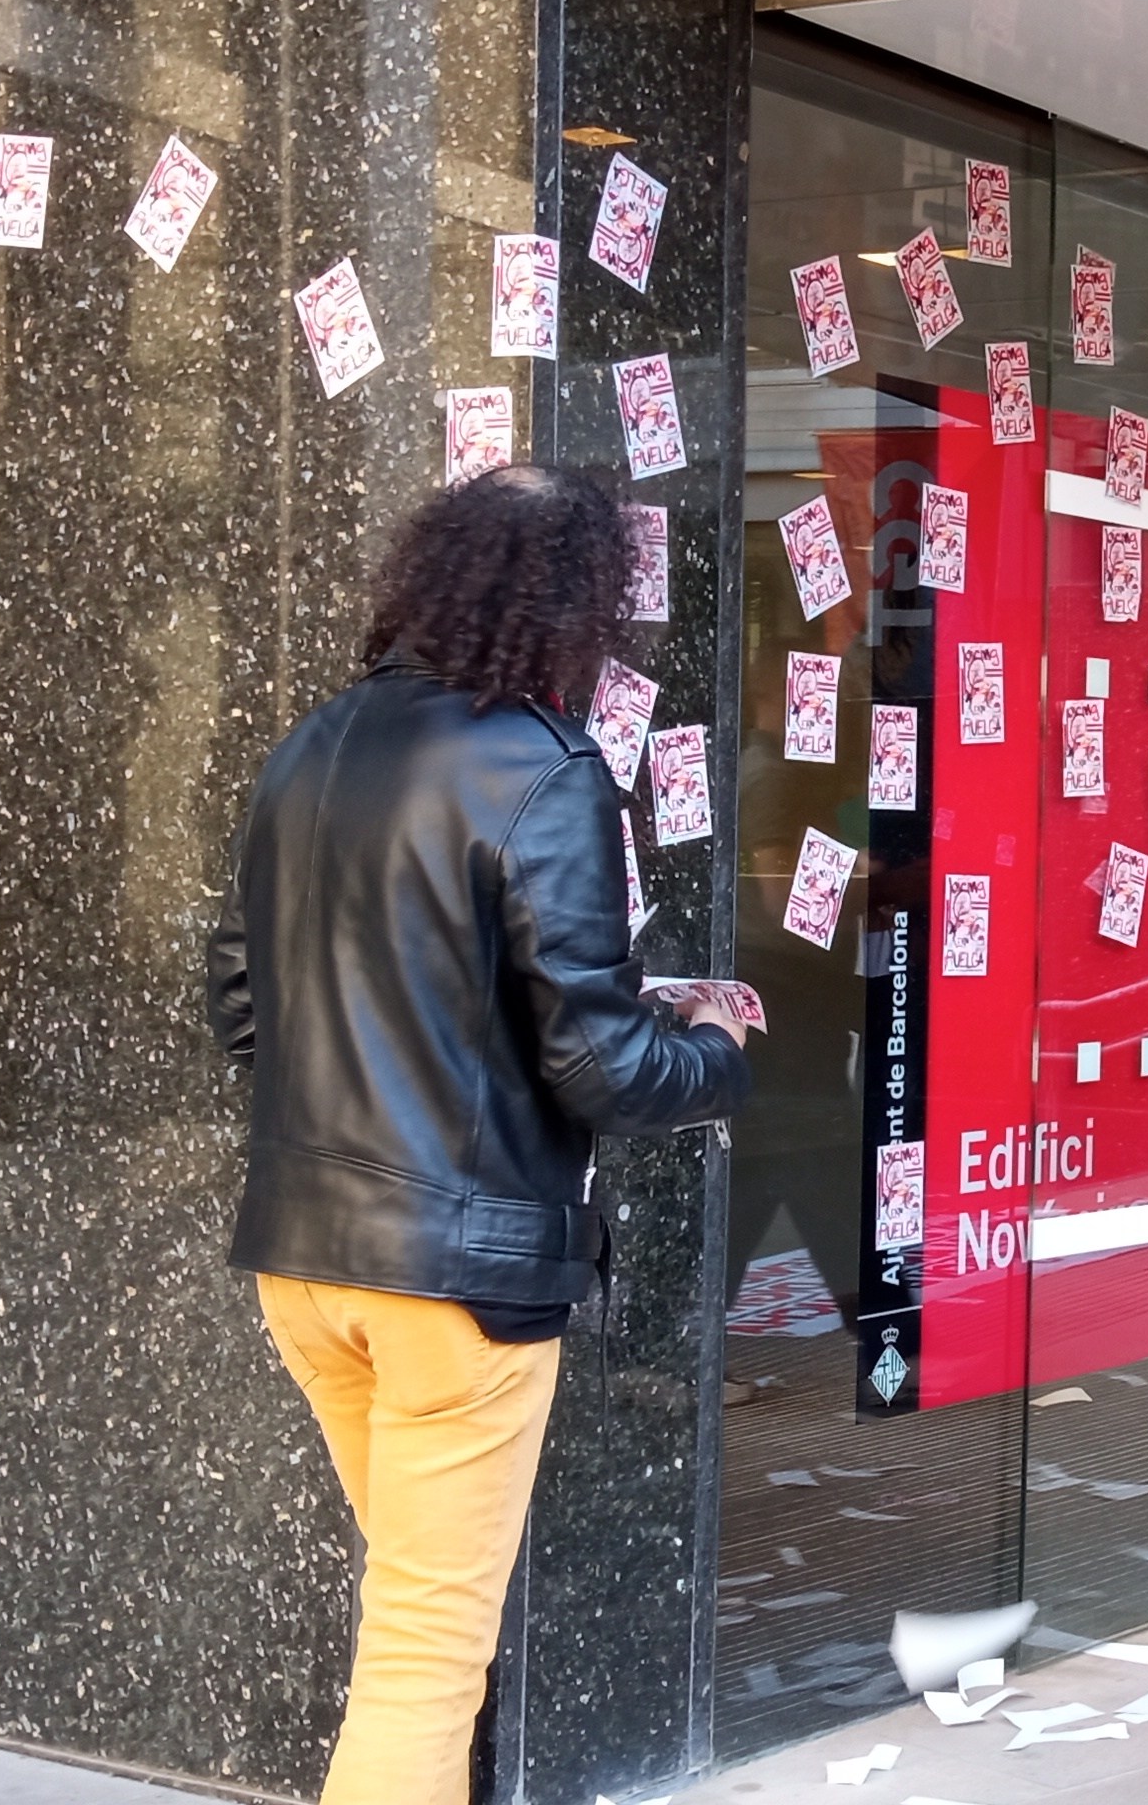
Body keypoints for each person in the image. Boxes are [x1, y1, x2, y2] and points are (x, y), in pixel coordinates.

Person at [206, 466, 759, 1805]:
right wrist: (721, 1050)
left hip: (304, 1265)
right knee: (420, 1665)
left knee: (417, 1622)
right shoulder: (545, 766)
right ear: (579, 602)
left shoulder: (314, 746)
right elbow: (595, 1063)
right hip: (461, 1285)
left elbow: (243, 1006)